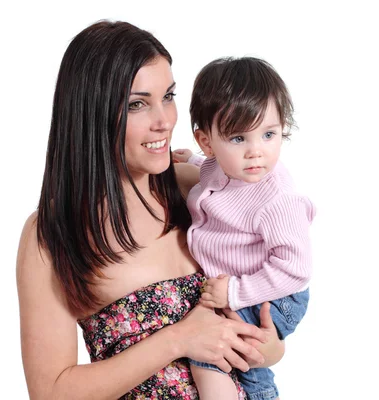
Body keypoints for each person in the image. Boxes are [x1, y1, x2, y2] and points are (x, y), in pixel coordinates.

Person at [16, 21, 285, 400]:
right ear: (94, 114)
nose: (165, 121)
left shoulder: (199, 188)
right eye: (138, 104)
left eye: (169, 96)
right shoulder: (53, 233)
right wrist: (177, 340)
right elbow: (51, 391)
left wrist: (269, 347)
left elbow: (270, 314)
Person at [173, 57, 315, 400]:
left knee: (211, 356)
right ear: (207, 142)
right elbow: (210, 173)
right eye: (238, 138)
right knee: (222, 349)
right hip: (247, 281)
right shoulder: (218, 167)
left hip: (275, 293)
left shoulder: (275, 198)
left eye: (269, 134)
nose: (256, 152)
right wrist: (190, 160)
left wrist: (236, 292)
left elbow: (295, 269)